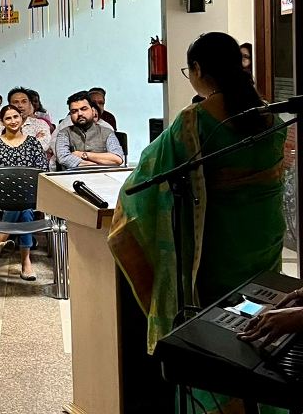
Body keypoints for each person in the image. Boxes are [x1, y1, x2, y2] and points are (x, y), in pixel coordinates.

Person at [111, 32, 286, 358]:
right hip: (265, 233)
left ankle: (214, 384)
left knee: (219, 327)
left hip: (219, 243)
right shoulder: (270, 115)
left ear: (198, 69)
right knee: (264, 308)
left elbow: (147, 175)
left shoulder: (194, 121)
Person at [0, 104, 49, 280]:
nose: (13, 121)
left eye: (16, 116)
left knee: (24, 206)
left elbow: (43, 170)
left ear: (22, 119)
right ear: (2, 122)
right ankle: (26, 262)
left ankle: (2, 240)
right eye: (8, 118)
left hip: (28, 194)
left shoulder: (33, 142)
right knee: (22, 206)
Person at [55, 91, 125, 170]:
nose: (80, 114)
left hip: (103, 176)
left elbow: (117, 159)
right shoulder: (64, 133)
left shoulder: (107, 132)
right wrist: (98, 164)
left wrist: (83, 155)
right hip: (73, 176)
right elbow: (63, 158)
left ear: (93, 111)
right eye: (74, 111)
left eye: (84, 109)